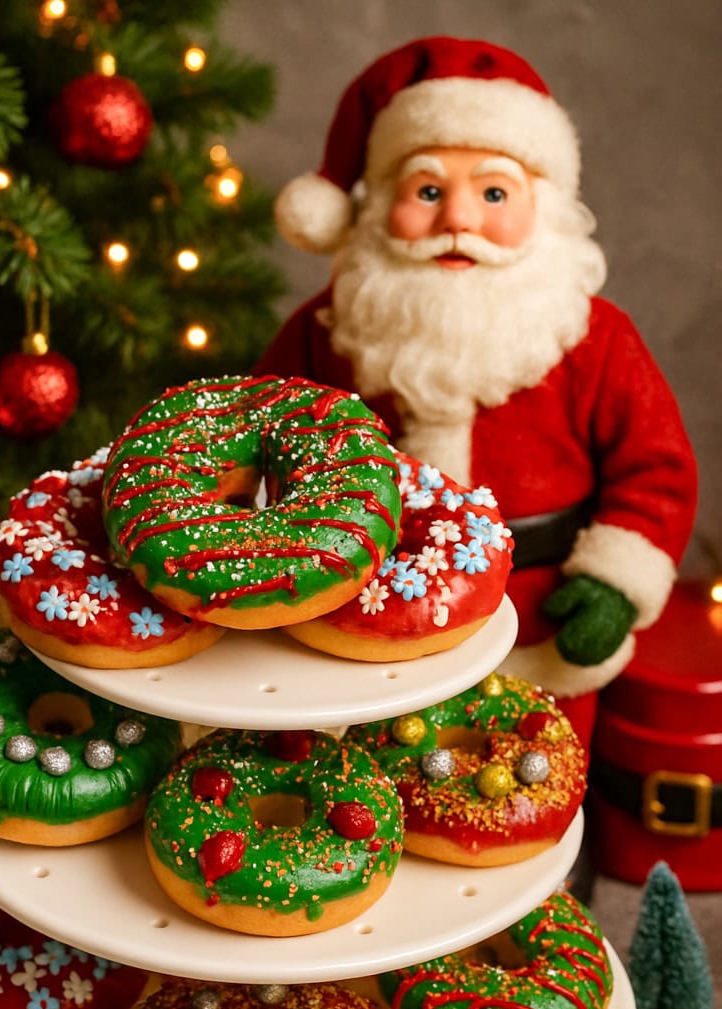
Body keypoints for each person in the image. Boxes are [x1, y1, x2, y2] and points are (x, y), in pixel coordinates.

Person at [255, 36, 697, 747]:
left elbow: (656, 471)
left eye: (494, 193)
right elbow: (260, 438)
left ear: (543, 207)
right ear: (379, 205)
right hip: (366, 623)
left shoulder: (596, 337)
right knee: (373, 774)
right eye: (428, 191)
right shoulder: (328, 329)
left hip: (540, 621)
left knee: (538, 778)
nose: (458, 220)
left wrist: (615, 585)